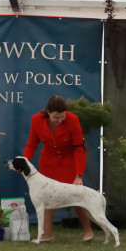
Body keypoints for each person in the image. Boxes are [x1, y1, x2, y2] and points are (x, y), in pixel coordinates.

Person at [22, 95, 93, 242]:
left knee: (76, 196)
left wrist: (79, 175)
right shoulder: (36, 120)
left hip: (69, 163)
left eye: (62, 116)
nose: (60, 120)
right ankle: (47, 234)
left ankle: (88, 230)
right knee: (46, 199)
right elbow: (31, 144)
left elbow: (79, 148)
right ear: (48, 112)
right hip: (48, 164)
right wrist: (24, 162)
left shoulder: (73, 120)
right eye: (56, 117)